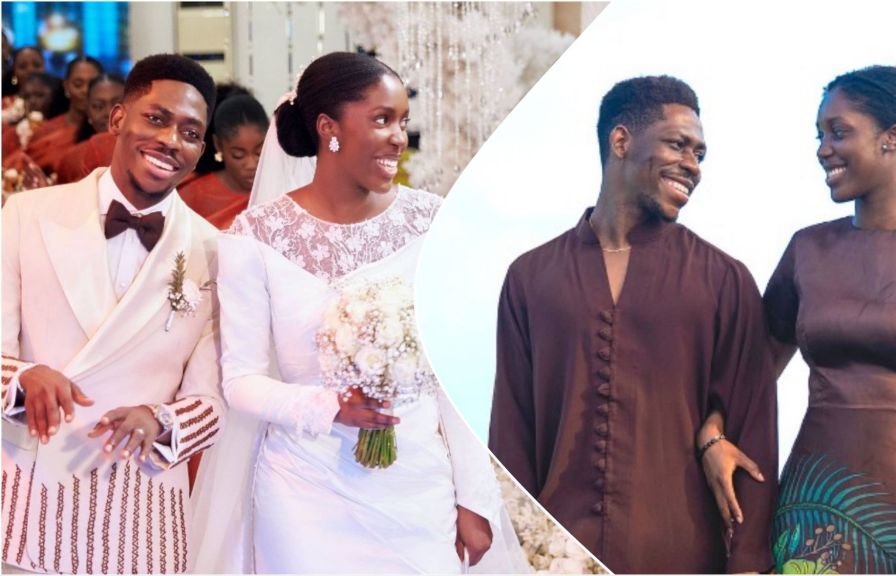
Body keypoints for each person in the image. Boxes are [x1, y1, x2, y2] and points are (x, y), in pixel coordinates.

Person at [191, 51, 526, 574]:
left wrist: (475, 497)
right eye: (382, 119)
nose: (399, 137)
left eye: (403, 122)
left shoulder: (431, 225)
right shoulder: (254, 238)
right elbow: (240, 381)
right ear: (330, 128)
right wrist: (328, 407)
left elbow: (455, 380)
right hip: (303, 494)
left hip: (416, 493)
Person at [700, 66, 896, 574]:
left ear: (893, 139)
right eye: (819, 134)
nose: (823, 148)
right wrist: (713, 434)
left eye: (839, 131)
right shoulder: (807, 249)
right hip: (816, 507)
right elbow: (751, 374)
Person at [489, 75, 778, 574]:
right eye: (678, 145)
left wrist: (748, 563)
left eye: (700, 154)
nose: (692, 165)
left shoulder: (725, 281)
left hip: (684, 557)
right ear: (620, 141)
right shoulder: (531, 278)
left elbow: (754, 436)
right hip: (556, 556)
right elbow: (511, 433)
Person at [1, 53, 224, 574]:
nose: (172, 140)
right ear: (118, 117)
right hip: (27, 500)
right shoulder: (26, 215)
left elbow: (214, 398)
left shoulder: (215, 250)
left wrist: (162, 421)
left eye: (191, 132)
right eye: (157, 118)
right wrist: (23, 379)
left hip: (140, 516)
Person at [178, 93, 268, 229]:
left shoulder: (284, 188)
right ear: (218, 145)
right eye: (238, 155)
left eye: (259, 153)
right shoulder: (192, 194)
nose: (251, 165)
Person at [24, 55, 102, 174]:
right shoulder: (45, 132)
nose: (85, 90)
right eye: (78, 84)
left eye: (91, 84)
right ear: (66, 86)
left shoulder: (113, 132)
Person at [55, 74, 125, 184]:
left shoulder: (146, 151)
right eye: (98, 107)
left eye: (117, 105)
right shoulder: (72, 158)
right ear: (88, 111)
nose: (108, 113)